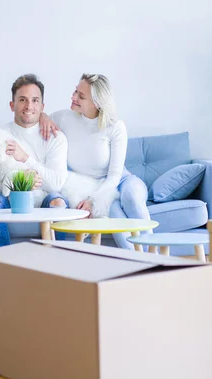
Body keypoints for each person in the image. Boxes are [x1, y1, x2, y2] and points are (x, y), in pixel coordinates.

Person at [39, 73, 150, 248]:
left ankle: (155, 255)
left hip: (120, 181)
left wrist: (93, 200)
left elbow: (114, 176)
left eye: (81, 96)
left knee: (132, 198)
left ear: (97, 103)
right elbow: (36, 117)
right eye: (75, 91)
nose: (73, 97)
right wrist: (44, 116)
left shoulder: (115, 127)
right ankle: (140, 263)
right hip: (89, 186)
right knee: (114, 213)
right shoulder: (64, 118)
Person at [0, 74, 69, 247]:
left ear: (42, 106)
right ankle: (5, 266)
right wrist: (20, 180)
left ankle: (54, 266)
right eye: (22, 100)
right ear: (12, 105)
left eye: (35, 100)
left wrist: (26, 158)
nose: (29, 106)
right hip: (7, 201)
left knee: (59, 202)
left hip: (44, 201)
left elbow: (56, 184)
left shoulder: (56, 138)